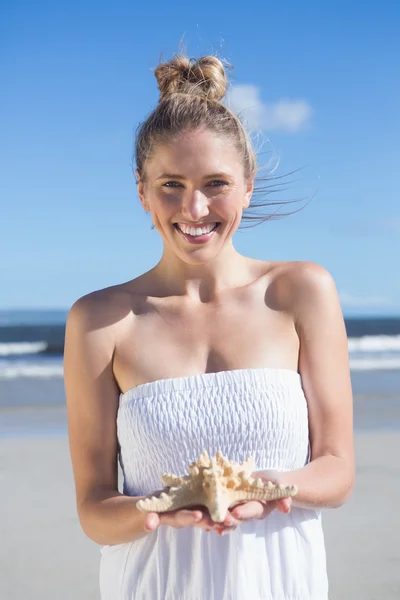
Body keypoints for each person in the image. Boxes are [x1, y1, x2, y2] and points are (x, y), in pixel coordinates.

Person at [64, 53, 354, 600]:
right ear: (142, 191)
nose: (193, 207)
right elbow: (95, 510)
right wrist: (161, 510)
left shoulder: (302, 292)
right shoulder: (99, 321)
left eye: (216, 183)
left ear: (247, 186)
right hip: (154, 583)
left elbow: (337, 470)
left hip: (279, 581)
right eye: (170, 183)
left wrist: (267, 486)